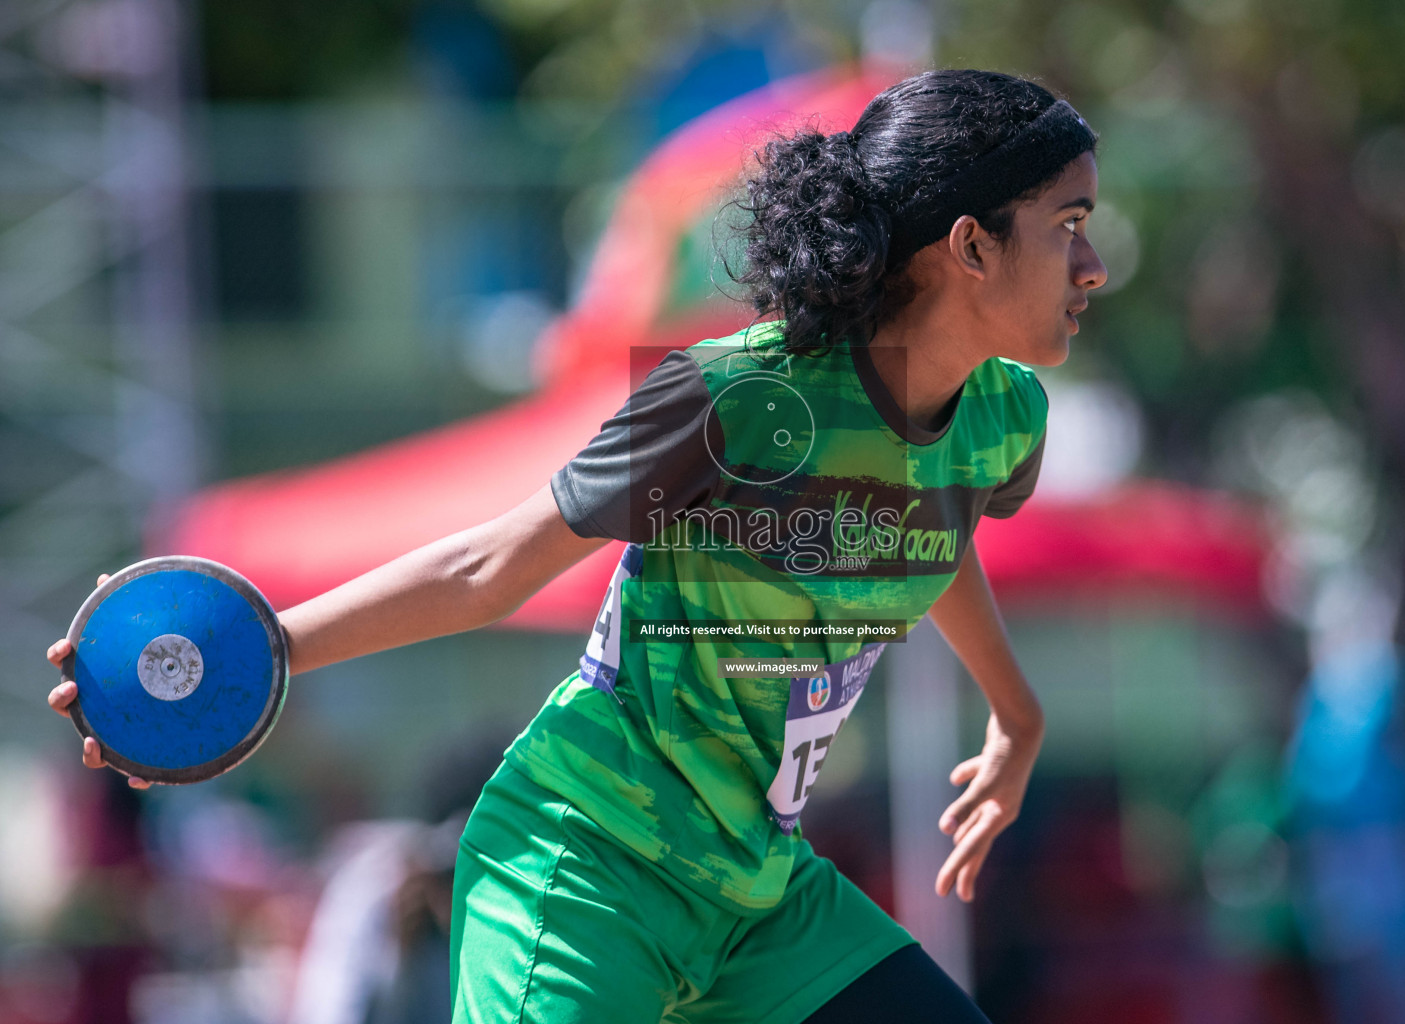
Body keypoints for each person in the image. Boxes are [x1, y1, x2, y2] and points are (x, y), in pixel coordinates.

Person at [46, 68, 1106, 1023]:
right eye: (1070, 223)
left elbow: (930, 524)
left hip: (759, 896)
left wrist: (1015, 712)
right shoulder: (734, 396)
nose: (1093, 264)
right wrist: (257, 651)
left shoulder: (1000, 421)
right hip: (583, 862)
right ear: (971, 246)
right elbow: (487, 567)